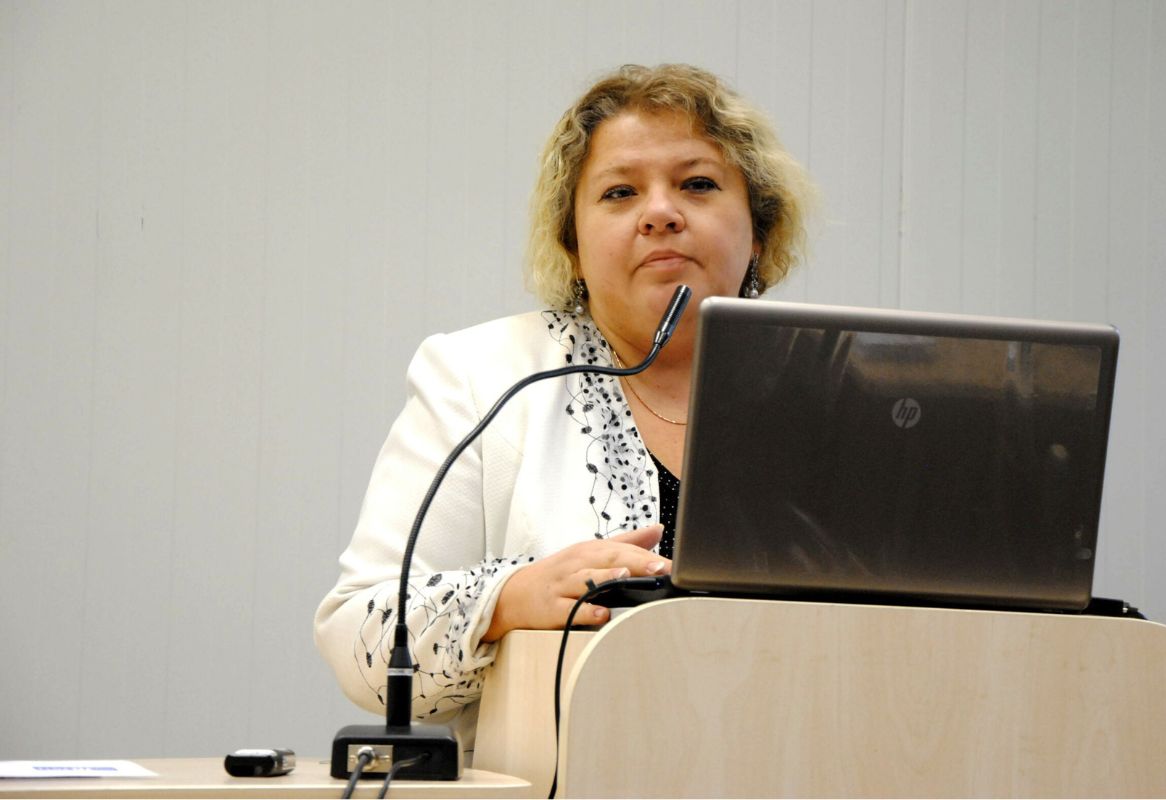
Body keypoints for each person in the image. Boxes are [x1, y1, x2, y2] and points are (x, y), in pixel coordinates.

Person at [314, 63, 814, 743]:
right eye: (620, 192)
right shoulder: (481, 377)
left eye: (697, 184)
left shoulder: (834, 393)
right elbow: (359, 639)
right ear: (573, 246)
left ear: (757, 229)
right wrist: (511, 599)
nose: (661, 212)